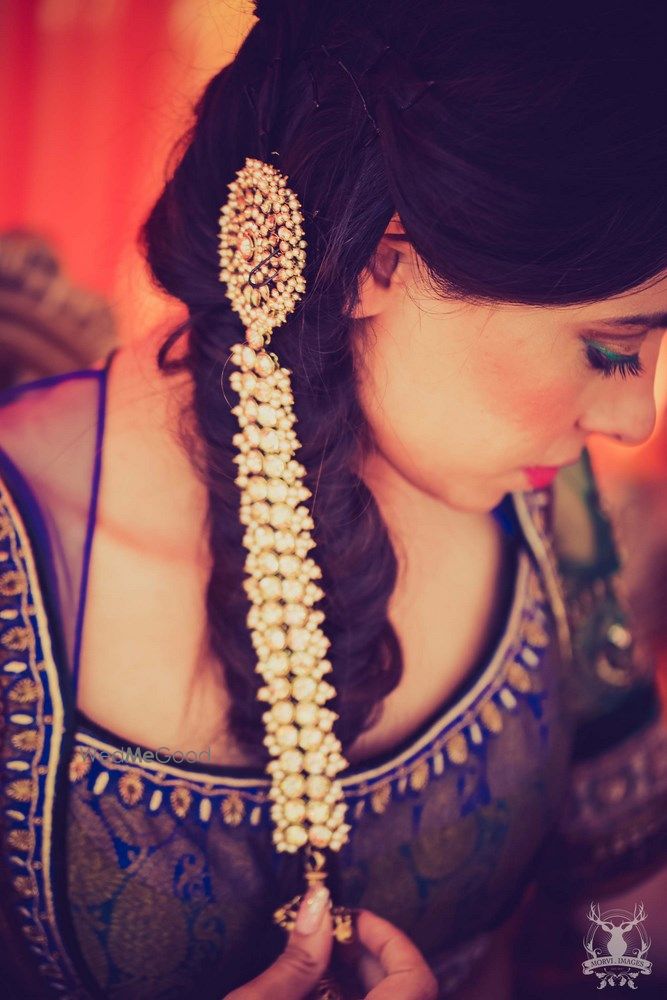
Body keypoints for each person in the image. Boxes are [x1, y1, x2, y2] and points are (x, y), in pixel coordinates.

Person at [0, 1, 666, 997]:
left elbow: (625, 918)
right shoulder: (21, 561)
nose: (632, 422)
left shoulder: (544, 501)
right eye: (611, 349)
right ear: (374, 261)